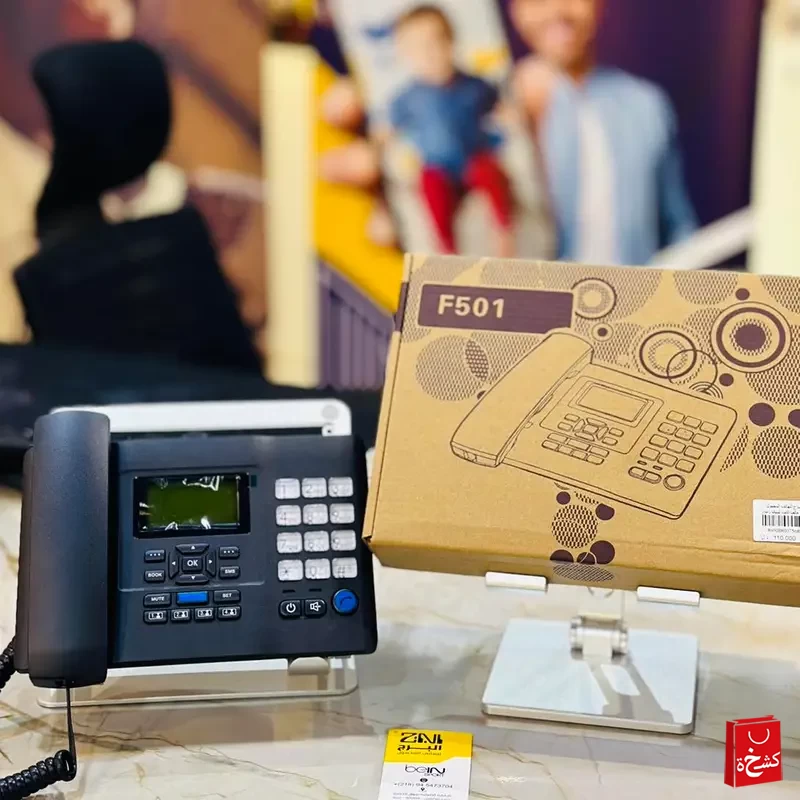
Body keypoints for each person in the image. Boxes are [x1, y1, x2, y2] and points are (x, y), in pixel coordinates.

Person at [321, 0, 698, 266]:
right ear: (515, 9)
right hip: (518, 315)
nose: (557, 10)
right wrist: (392, 197)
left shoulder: (646, 105)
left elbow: (680, 230)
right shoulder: (501, 98)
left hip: (629, 323)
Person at [387, 5, 515, 256]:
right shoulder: (407, 98)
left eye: (435, 43)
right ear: (405, 55)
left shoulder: (474, 85)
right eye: (417, 49)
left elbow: (498, 105)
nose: (428, 54)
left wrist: (509, 116)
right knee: (429, 183)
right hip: (439, 168)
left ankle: (503, 230)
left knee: (490, 170)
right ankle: (447, 247)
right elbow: (390, 129)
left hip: (473, 159)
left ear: (451, 42)